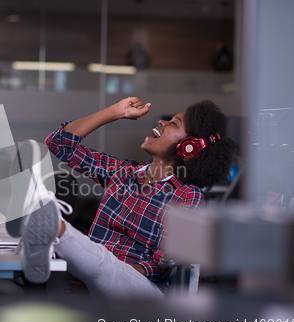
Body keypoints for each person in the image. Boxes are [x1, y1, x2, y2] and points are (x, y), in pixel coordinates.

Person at [18, 97, 238, 300]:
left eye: (173, 123)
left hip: (143, 290)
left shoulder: (187, 196)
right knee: (62, 268)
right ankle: (50, 230)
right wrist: (116, 111)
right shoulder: (122, 172)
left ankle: (54, 227)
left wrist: (102, 277)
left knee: (104, 265)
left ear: (188, 147)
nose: (161, 121)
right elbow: (59, 144)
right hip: (91, 270)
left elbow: (162, 265)